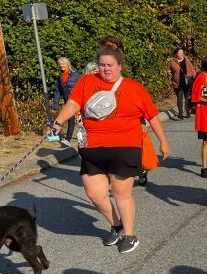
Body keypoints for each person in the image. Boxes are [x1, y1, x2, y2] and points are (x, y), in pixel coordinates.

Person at [52, 39, 170, 253]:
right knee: (94, 193)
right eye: (102, 65)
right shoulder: (87, 82)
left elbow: (152, 116)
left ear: (119, 66)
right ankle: (116, 225)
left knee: (120, 192)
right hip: (92, 148)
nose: (105, 69)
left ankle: (130, 234)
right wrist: (58, 122)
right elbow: (73, 103)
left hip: (125, 147)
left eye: (110, 65)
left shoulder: (135, 88)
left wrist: (163, 141)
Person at [52, 57, 81, 148]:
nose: (61, 65)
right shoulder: (60, 77)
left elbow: (82, 86)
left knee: (80, 120)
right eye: (60, 64)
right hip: (67, 101)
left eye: (63, 63)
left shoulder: (75, 75)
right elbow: (58, 91)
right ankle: (68, 139)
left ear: (67, 64)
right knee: (71, 119)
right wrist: (55, 103)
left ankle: (71, 138)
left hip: (76, 101)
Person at [168, 47, 196, 118]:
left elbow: (192, 69)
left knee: (187, 97)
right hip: (178, 83)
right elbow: (169, 71)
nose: (181, 54)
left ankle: (188, 112)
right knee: (179, 98)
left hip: (187, 82)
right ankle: (180, 113)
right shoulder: (172, 62)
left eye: (182, 53)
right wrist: (170, 74)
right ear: (176, 54)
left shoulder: (186, 59)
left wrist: (195, 78)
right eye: (179, 53)